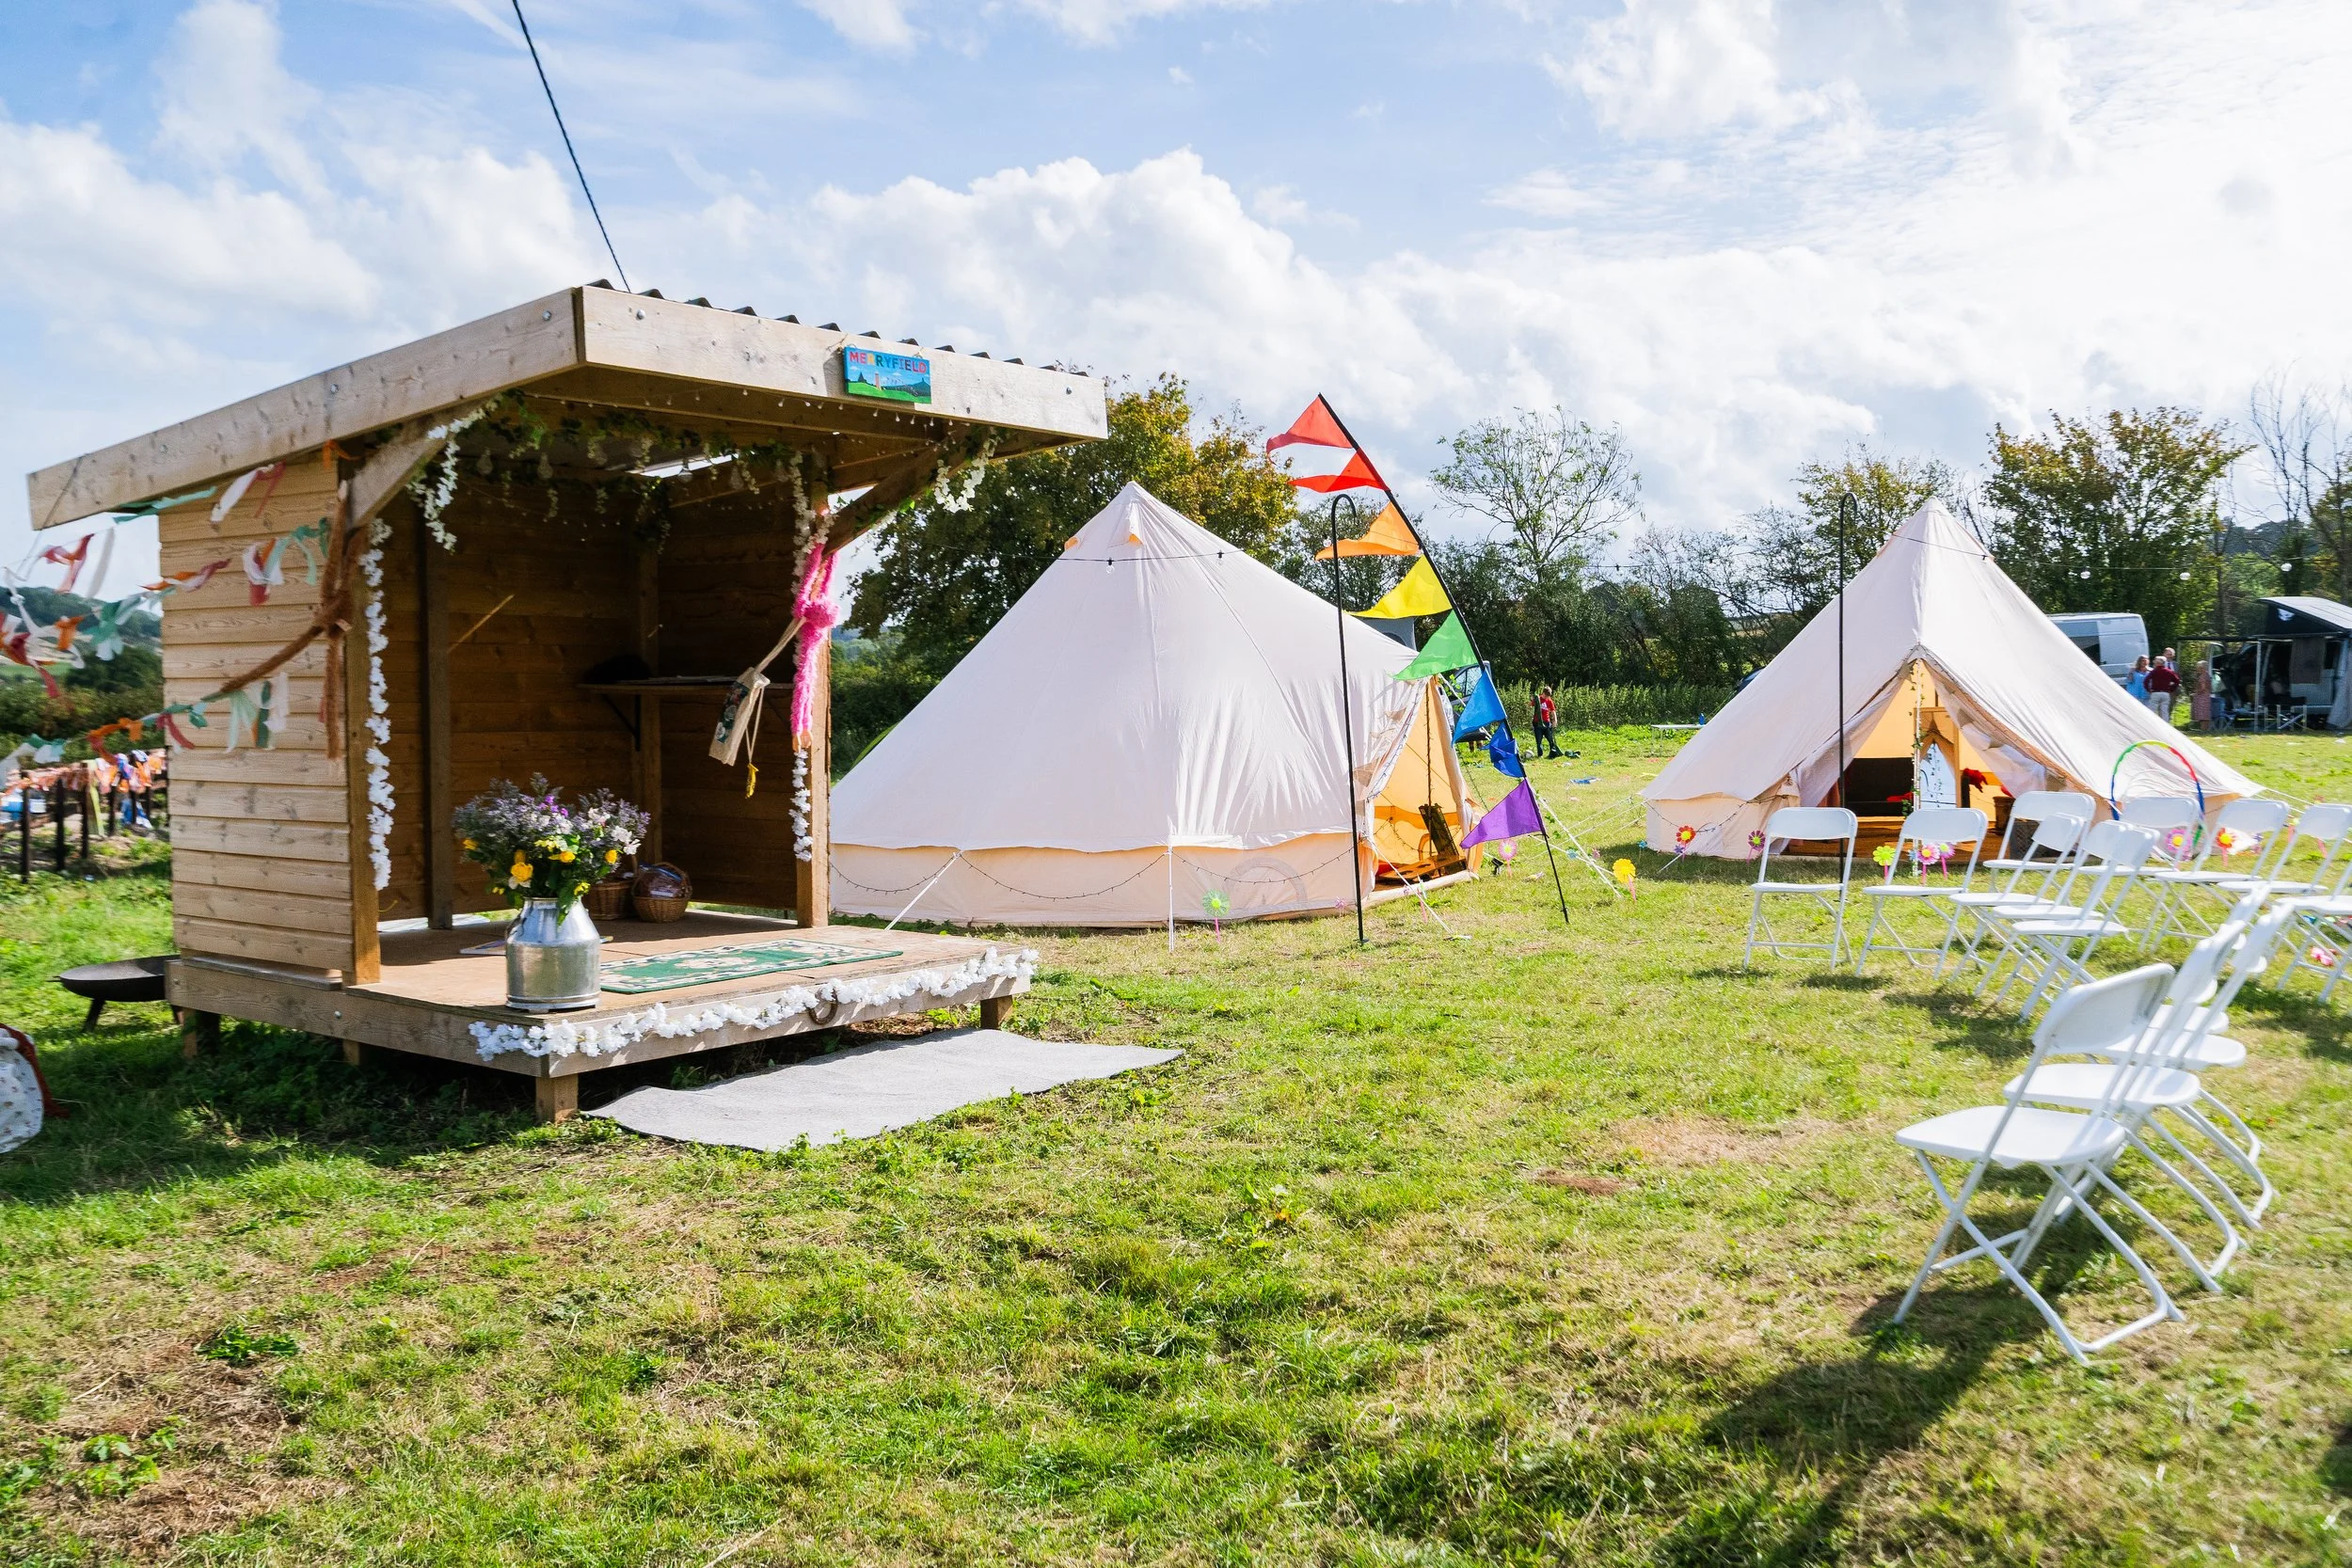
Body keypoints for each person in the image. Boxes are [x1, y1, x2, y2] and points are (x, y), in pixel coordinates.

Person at [2146, 654, 2180, 723]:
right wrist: (2171, 689)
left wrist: (2149, 690)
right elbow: (2177, 681)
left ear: (2158, 663)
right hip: (2165, 693)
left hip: (2155, 692)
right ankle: (2166, 726)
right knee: (2164, 712)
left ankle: (2151, 724)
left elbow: (2146, 681)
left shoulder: (2154, 671)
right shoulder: (2170, 672)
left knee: (2152, 710)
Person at [1532, 686, 1563, 758]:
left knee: (1550, 739)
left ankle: (1553, 753)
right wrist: (1532, 701)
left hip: (1547, 723)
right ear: (1543, 693)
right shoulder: (1537, 699)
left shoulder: (1549, 700)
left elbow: (1553, 711)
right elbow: (1529, 705)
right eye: (1546, 695)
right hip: (1537, 723)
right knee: (1539, 740)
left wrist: (1555, 720)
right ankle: (1540, 755)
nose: (1547, 697)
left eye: (1548, 696)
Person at [2191, 658, 2214, 728]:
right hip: (2207, 695)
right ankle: (2205, 729)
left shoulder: (2203, 676)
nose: (2197, 669)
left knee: (2202, 714)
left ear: (2202, 668)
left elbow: (2203, 688)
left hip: (2202, 697)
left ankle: (2203, 729)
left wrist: (2196, 693)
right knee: (2205, 714)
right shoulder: (2207, 675)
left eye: (2198, 668)